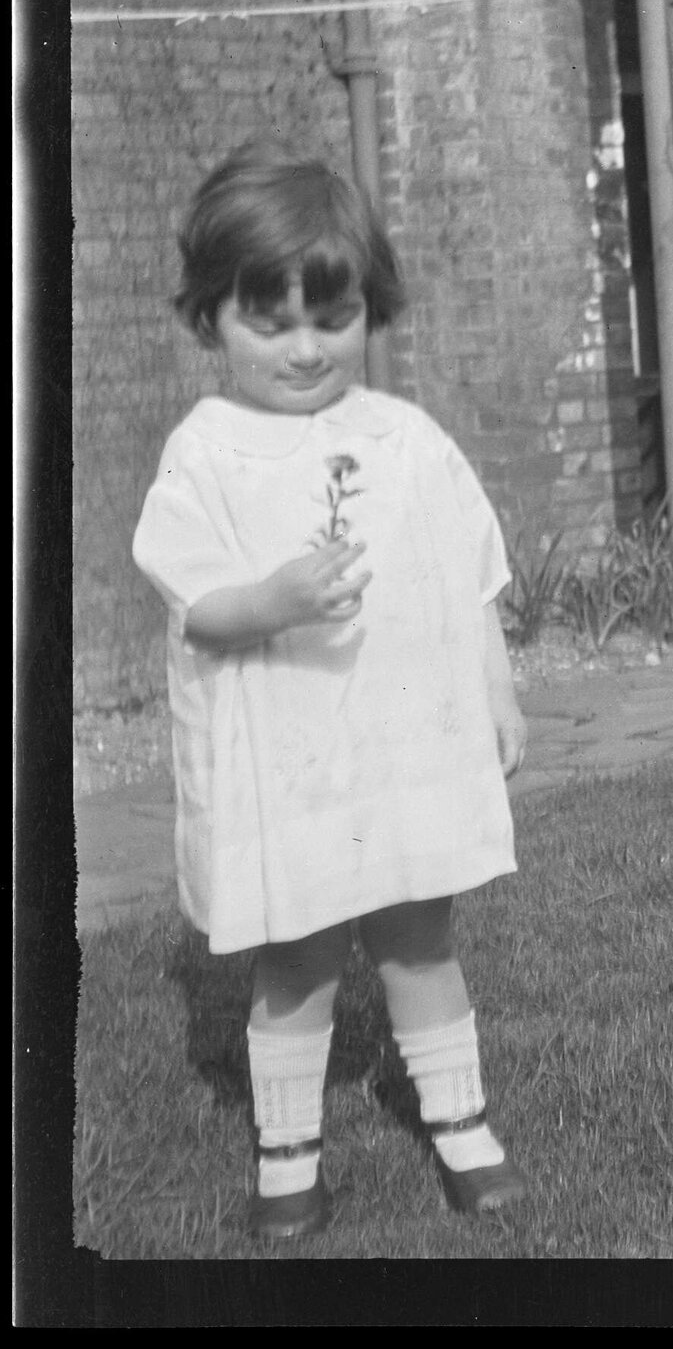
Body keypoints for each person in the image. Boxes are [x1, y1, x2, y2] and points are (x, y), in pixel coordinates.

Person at [132, 137, 529, 1241]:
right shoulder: (207, 454)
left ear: (370, 311)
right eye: (272, 323)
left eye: (334, 318)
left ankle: (461, 1125)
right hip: (291, 757)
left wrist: (496, 691)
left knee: (419, 934)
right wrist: (275, 598)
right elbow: (198, 603)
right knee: (300, 956)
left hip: (401, 748)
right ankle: (289, 1154)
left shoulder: (406, 439)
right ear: (211, 320)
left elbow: (471, 575)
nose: (307, 349)